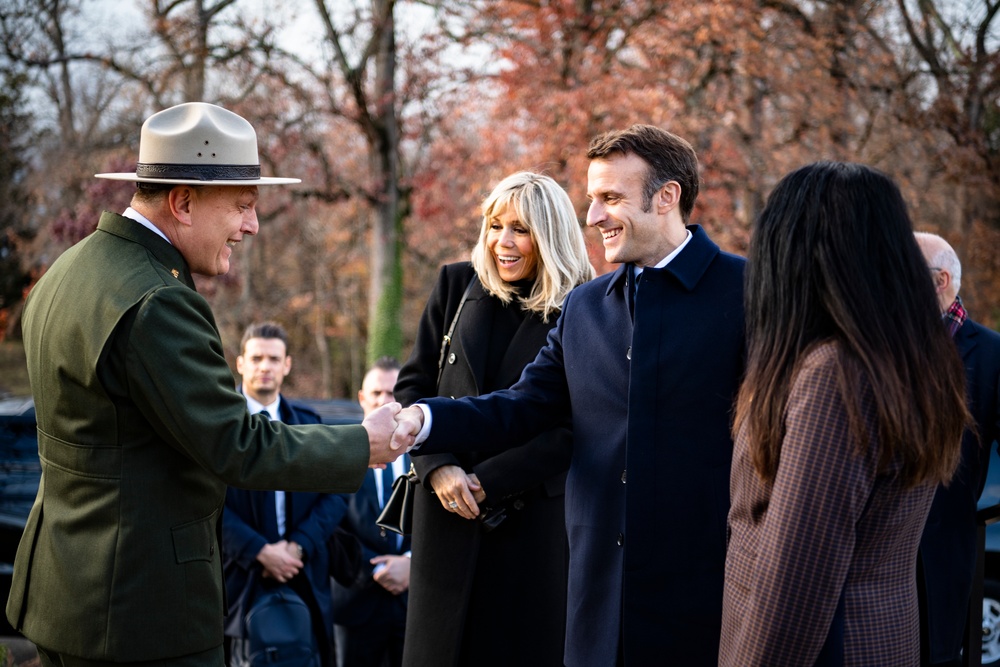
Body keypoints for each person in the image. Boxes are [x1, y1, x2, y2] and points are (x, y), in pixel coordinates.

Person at [6, 102, 400, 667]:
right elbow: (239, 445)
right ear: (183, 201)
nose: (252, 225)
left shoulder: (68, 269)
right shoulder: (160, 302)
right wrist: (364, 443)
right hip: (140, 613)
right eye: (242, 205)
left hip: (60, 595)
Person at [394, 127, 747, 666]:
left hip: (707, 597)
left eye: (610, 199)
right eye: (591, 200)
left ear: (667, 197)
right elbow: (522, 406)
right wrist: (422, 422)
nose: (593, 217)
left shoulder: (748, 292)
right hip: (595, 602)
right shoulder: (586, 308)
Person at [718, 162, 970, 666]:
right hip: (876, 639)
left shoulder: (834, 373)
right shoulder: (907, 356)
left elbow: (799, 574)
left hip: (825, 648)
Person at [395, 171, 593, 667]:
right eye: (494, 225)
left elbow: (579, 424)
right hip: (445, 516)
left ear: (549, 236)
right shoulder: (456, 284)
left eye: (520, 229)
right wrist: (438, 466)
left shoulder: (586, 306)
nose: (502, 242)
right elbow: (413, 388)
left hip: (529, 528)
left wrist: (486, 480)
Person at [222, 322, 347, 666]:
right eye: (257, 358)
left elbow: (335, 496)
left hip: (301, 571)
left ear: (287, 365)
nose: (265, 366)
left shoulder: (309, 425)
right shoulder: (218, 427)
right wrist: (258, 550)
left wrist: (297, 545)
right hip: (236, 578)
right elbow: (206, 501)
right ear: (241, 363)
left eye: (274, 359)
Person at [914, 232, 1000, 667]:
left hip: (943, 550)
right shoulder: (880, 347)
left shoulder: (991, 353)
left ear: (940, 281)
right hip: (872, 553)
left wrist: (977, 510)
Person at [330, 357, 410, 667]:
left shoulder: (429, 459)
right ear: (362, 398)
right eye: (376, 393)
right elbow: (331, 524)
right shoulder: (340, 456)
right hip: (356, 603)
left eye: (392, 394)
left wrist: (411, 565)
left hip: (414, 604)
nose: (383, 401)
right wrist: (377, 569)